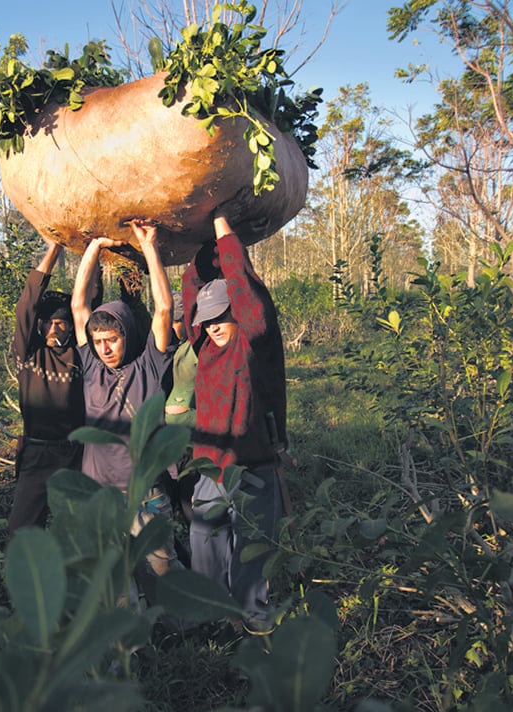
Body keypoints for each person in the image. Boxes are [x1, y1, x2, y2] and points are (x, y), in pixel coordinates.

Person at [181, 208, 288, 636]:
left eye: (220, 317)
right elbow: (191, 288)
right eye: (206, 321)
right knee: (204, 539)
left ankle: (253, 618)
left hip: (253, 462)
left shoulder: (253, 339)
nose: (212, 327)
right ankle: (213, 614)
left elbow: (246, 291)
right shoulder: (204, 346)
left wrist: (225, 230)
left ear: (237, 314)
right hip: (211, 465)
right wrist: (204, 238)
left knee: (253, 545)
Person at [71, 220, 180, 602]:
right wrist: (95, 246)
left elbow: (164, 308)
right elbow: (78, 305)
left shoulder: (149, 364)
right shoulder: (91, 367)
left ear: (127, 335)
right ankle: (128, 638)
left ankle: (180, 629)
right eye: (98, 341)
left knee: (162, 574)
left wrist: (149, 247)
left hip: (146, 495)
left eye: (111, 340)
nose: (104, 348)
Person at [8, 235, 89, 534]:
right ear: (40, 326)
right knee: (22, 528)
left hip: (76, 453)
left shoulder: (81, 355)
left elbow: (89, 302)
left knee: (80, 528)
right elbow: (27, 305)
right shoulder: (29, 355)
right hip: (37, 452)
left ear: (70, 326)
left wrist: (93, 252)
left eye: (62, 323)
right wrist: (53, 249)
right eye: (49, 323)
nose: (55, 328)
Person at [162, 291, 198, 525]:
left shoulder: (196, 349)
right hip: (168, 446)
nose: (171, 327)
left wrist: (190, 414)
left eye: (176, 322)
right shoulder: (166, 348)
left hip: (193, 445)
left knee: (192, 511)